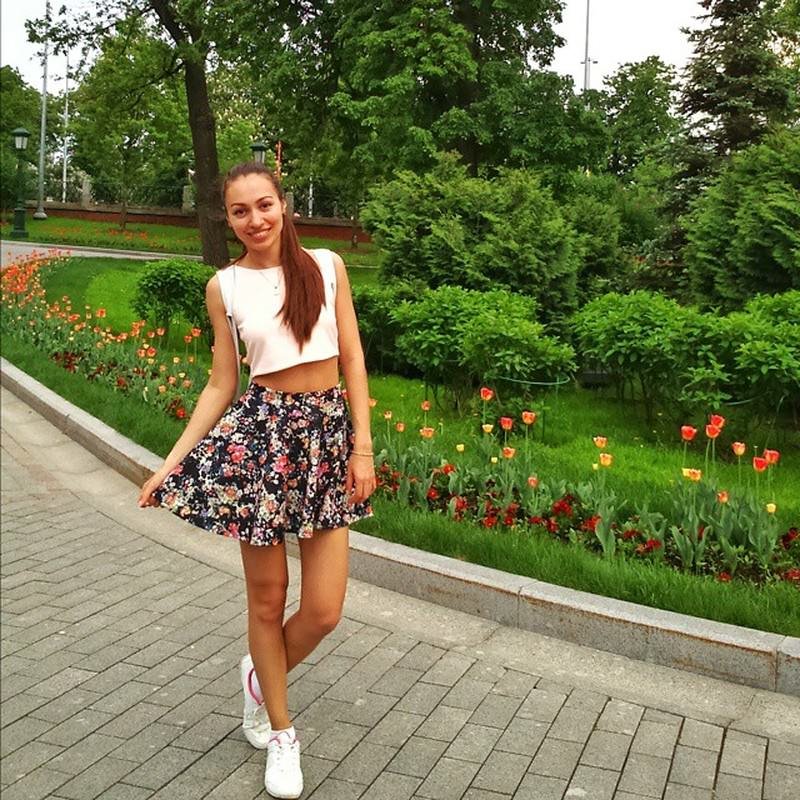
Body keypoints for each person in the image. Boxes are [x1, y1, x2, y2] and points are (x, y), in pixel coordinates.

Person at [137, 161, 375, 799]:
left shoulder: (326, 266)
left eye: (264, 205)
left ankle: (258, 676)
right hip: (261, 445)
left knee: (323, 611)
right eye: (240, 211)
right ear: (228, 218)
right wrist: (170, 463)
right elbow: (223, 383)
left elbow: (353, 357)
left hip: (326, 441)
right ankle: (281, 731)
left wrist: (363, 448)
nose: (255, 220)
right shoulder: (225, 286)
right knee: (268, 602)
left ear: (283, 204)